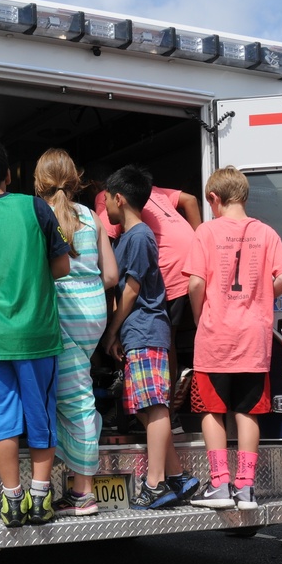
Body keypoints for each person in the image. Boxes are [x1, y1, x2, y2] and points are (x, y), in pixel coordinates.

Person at [0, 139, 70, 527]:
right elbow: (62, 267)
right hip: (37, 334)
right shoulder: (33, 206)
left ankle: (11, 500)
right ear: (8, 175)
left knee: (1, 421)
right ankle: (41, 499)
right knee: (40, 417)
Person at [183, 166, 282, 510]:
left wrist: (200, 317)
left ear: (214, 199)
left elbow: (196, 283)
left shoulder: (206, 231)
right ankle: (245, 488)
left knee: (211, 410)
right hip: (254, 338)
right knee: (248, 411)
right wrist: (261, 298)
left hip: (216, 335)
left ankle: (220, 485)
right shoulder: (266, 233)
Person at [101, 164, 200, 509]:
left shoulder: (140, 236)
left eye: (107, 202)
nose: (106, 210)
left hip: (145, 330)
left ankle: (155, 483)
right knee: (144, 408)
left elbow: (132, 288)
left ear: (119, 199)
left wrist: (111, 329)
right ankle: (178, 477)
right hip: (137, 332)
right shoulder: (132, 237)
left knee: (154, 407)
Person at [34, 149, 119, 516]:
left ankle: (83, 492)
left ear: (39, 183)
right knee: (72, 393)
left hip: (62, 312)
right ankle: (73, 484)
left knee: (76, 401)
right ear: (75, 178)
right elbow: (112, 276)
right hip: (93, 315)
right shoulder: (90, 216)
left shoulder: (39, 216)